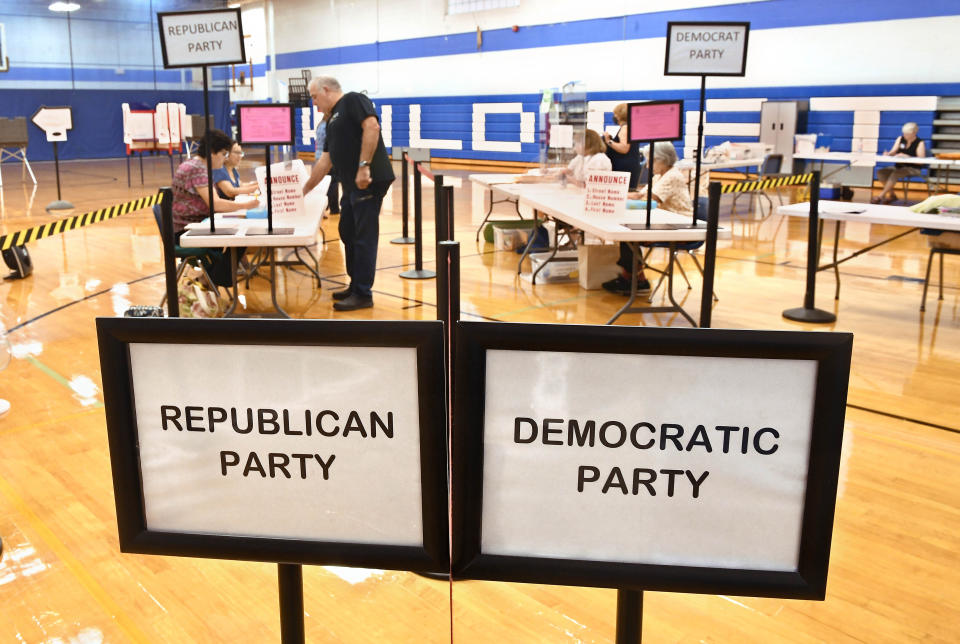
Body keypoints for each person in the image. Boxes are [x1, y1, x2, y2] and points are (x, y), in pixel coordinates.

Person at [303, 76, 395, 311]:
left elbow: (372, 126)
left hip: (367, 181)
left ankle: (363, 294)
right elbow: (325, 161)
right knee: (347, 232)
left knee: (363, 237)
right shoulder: (331, 120)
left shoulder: (353, 100)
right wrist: (302, 191)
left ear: (326, 90)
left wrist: (364, 166)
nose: (314, 103)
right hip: (351, 186)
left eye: (314, 97)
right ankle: (356, 286)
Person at [603, 141, 693, 296]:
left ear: (662, 159)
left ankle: (636, 279)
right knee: (627, 231)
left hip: (680, 226)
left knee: (628, 234)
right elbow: (639, 195)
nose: (647, 165)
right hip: (664, 221)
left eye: (651, 160)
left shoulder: (672, 176)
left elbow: (649, 201)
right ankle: (633, 277)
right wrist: (613, 194)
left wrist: (617, 198)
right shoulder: (660, 176)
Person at [172, 128, 246, 287]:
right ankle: (209, 281)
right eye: (224, 154)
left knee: (238, 234)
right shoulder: (197, 169)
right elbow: (216, 204)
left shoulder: (197, 165)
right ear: (213, 152)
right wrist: (247, 205)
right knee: (242, 237)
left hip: (195, 224)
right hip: (186, 230)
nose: (224, 158)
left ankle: (209, 279)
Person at [873, 122, 926, 204]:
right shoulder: (900, 139)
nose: (905, 135)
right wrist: (888, 154)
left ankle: (881, 196)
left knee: (896, 173)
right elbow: (893, 151)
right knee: (881, 172)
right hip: (899, 167)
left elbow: (921, 161)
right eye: (904, 133)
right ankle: (892, 195)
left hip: (913, 168)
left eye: (907, 134)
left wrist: (908, 157)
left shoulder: (920, 143)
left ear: (914, 133)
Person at [603, 103, 643, 189]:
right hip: (630, 165)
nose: (614, 116)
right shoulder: (631, 127)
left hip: (623, 167)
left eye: (615, 114)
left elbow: (624, 148)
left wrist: (608, 141)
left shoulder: (625, 128)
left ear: (619, 116)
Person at [315, 114, 340, 215]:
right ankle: (333, 208)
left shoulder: (319, 125)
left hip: (318, 157)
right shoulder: (329, 126)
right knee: (333, 182)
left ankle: (326, 207)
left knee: (324, 183)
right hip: (328, 158)